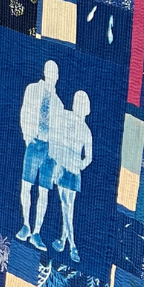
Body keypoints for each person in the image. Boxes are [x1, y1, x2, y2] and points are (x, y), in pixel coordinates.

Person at [17, 60, 64, 252]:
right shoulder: (32, 89)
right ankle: (26, 225)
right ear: (45, 72)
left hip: (50, 150)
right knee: (26, 185)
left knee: (43, 190)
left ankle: (36, 232)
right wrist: (28, 138)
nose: (52, 76)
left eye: (55, 73)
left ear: (57, 77)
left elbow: (60, 133)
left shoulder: (58, 103)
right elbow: (25, 113)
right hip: (34, 142)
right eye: (49, 72)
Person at [50, 91, 93, 263]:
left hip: (72, 171)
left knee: (67, 207)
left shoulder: (86, 131)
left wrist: (79, 165)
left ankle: (68, 243)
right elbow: (57, 140)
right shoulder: (67, 118)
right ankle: (68, 244)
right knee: (66, 207)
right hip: (64, 167)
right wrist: (58, 164)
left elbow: (89, 157)